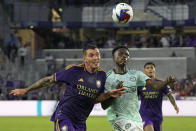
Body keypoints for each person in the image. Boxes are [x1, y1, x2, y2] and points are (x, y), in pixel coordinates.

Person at [10, 44, 125, 131]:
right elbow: (48, 80)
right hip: (64, 115)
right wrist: (26, 90)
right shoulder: (73, 70)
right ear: (84, 58)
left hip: (81, 121)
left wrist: (110, 95)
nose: (96, 58)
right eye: (91, 55)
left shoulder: (102, 75)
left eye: (97, 54)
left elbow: (95, 99)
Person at [101, 45, 176, 131]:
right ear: (114, 58)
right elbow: (104, 105)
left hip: (136, 119)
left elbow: (155, 85)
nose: (124, 56)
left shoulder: (136, 74)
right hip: (118, 118)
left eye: (126, 55)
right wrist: (112, 95)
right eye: (120, 54)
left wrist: (166, 81)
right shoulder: (109, 78)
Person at [137, 62, 179, 131]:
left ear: (154, 70)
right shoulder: (140, 84)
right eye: (147, 68)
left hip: (157, 116)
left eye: (151, 67)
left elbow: (170, 95)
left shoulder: (161, 83)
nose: (150, 69)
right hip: (144, 115)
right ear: (144, 71)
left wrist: (175, 105)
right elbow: (133, 97)